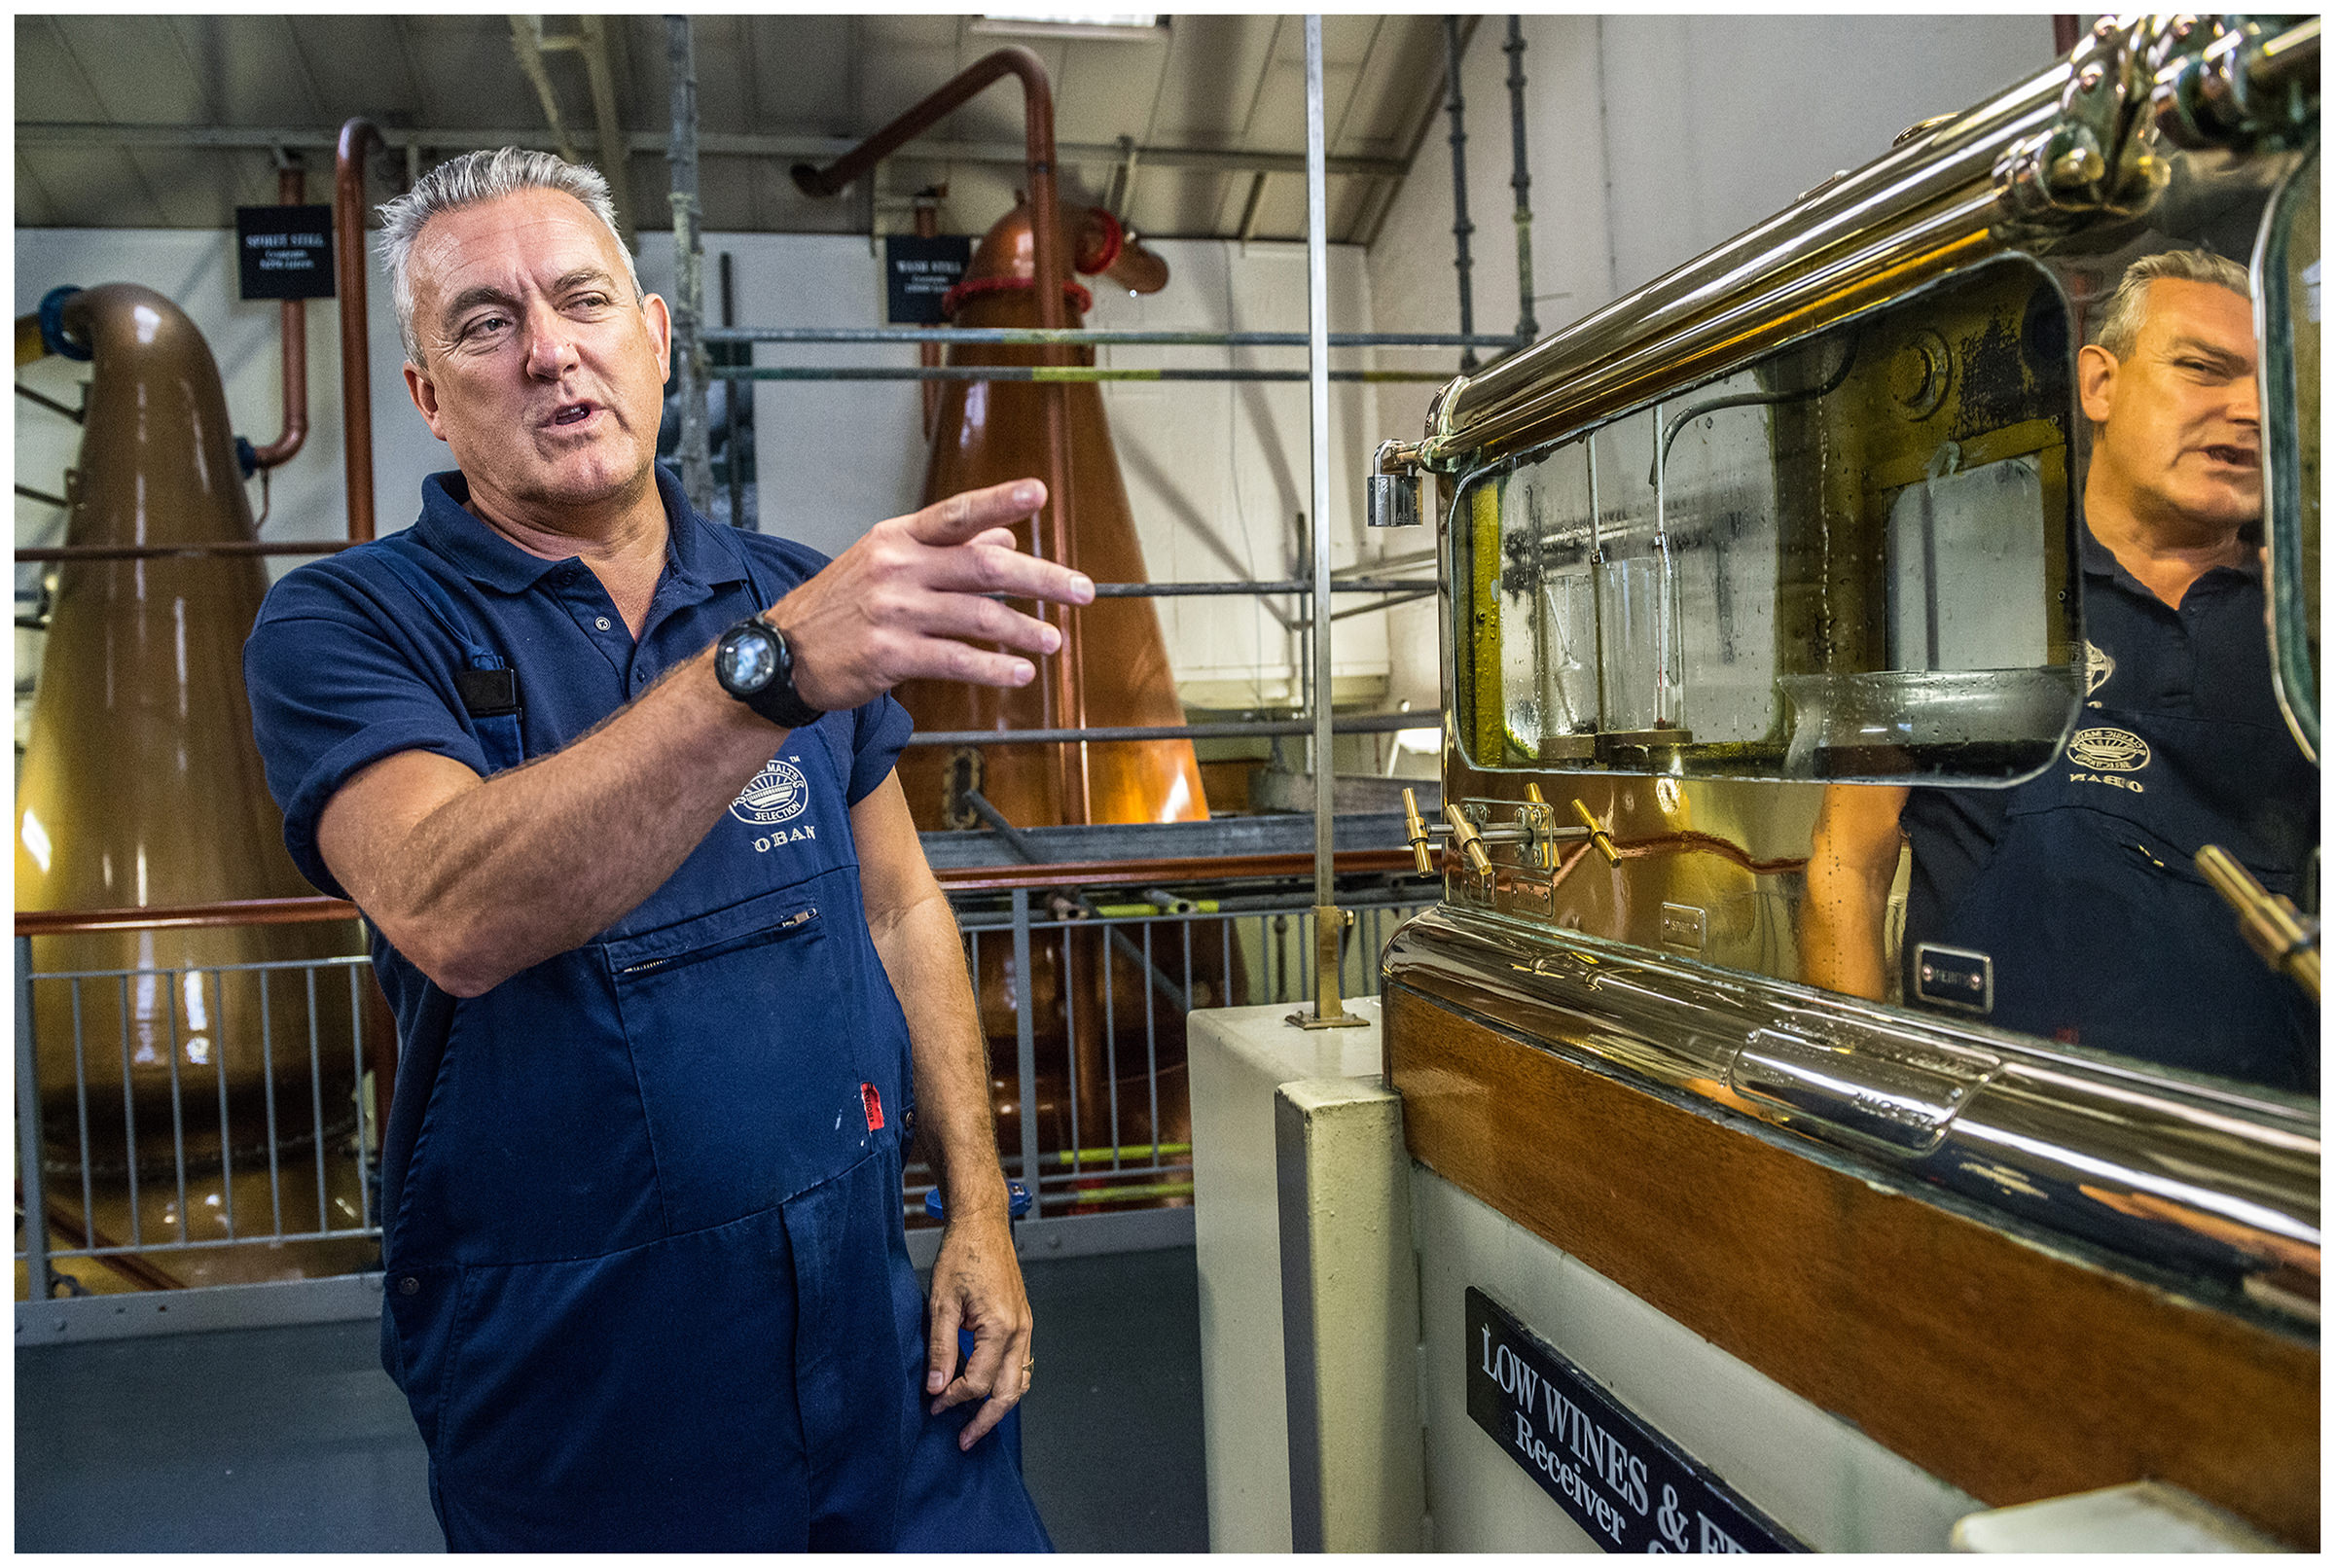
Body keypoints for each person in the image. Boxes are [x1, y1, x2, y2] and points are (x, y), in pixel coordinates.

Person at [244, 149, 1082, 1550]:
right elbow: (454, 910)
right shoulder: (347, 625)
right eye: (485, 325)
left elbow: (898, 911)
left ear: (654, 336)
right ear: (427, 395)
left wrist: (982, 1217)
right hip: (589, 1375)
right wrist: (771, 670)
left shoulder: (776, 586)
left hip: (879, 1340)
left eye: (581, 301)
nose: (550, 354)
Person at [1801, 249, 2317, 1092]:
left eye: (2274, 383)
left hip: (2251, 1158)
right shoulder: (1955, 584)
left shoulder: (2308, 623)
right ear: (2099, 385)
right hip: (1995, 1135)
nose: (2251, 409)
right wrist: (1863, 1094)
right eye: (2204, 369)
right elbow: (1847, 861)